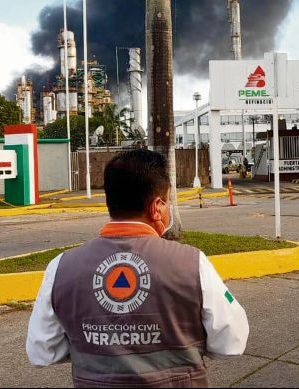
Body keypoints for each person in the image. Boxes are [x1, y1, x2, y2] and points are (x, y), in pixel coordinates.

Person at [26, 149, 249, 387]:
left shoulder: (61, 267)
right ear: (156, 207)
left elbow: (42, 352)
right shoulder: (193, 263)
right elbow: (231, 342)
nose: (168, 209)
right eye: (167, 202)